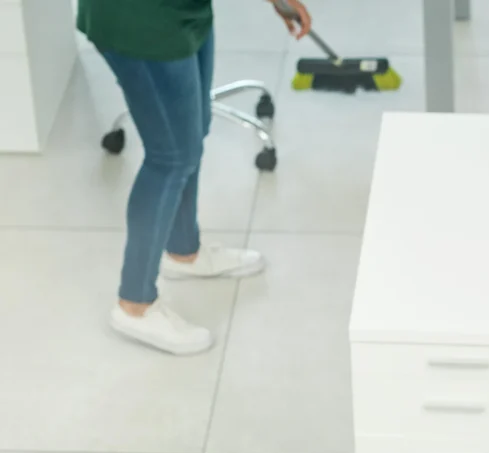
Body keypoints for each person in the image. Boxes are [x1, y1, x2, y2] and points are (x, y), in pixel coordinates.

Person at [76, 0, 313, 354]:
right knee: (170, 157)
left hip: (184, 14)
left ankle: (184, 251)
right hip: (142, 22)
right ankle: (134, 303)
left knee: (191, 132)